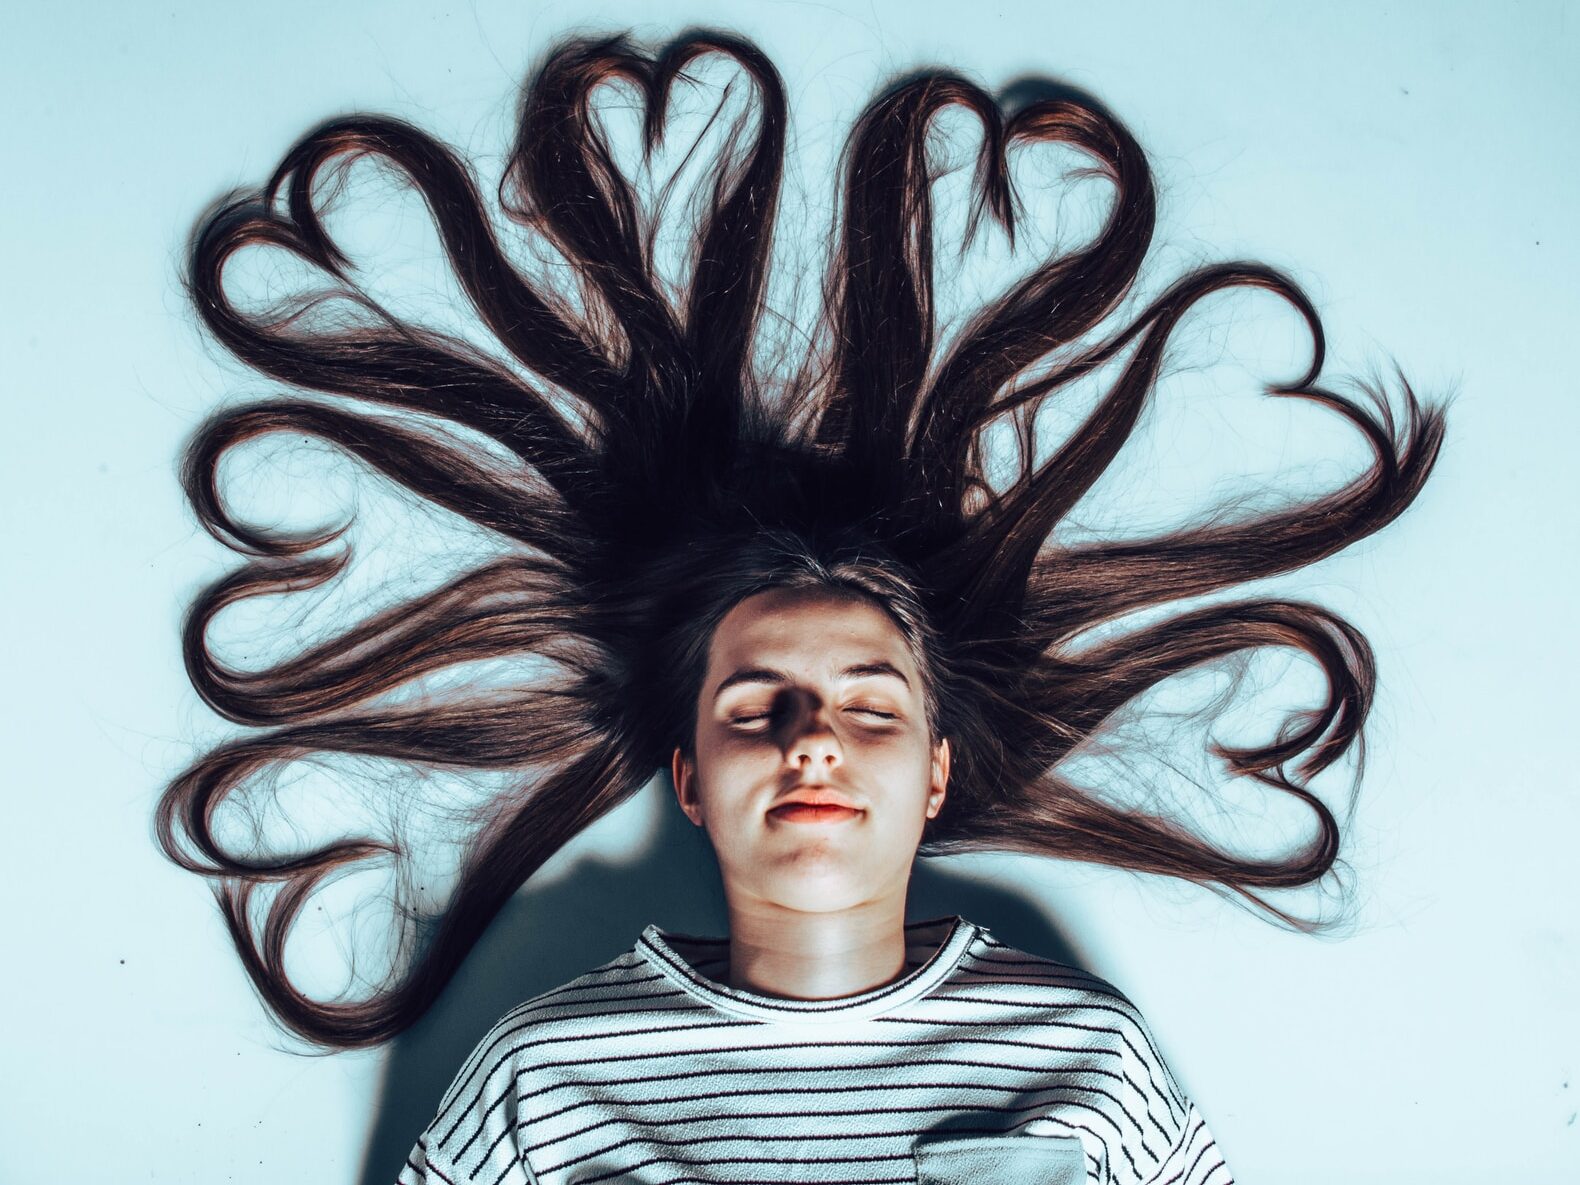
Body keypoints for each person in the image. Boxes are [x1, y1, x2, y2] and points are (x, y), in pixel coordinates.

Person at [155, 25, 1450, 1184]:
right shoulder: (541, 1086)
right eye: (758, 704)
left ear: (937, 773)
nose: (813, 738)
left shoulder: (1087, 1062)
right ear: (687, 774)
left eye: (869, 706)